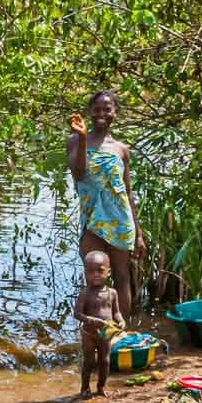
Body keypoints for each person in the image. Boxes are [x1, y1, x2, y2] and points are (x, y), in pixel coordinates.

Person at [66, 90, 145, 315]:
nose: (102, 113)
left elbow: (127, 192)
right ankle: (95, 333)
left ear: (115, 113)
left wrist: (138, 234)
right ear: (90, 112)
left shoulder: (121, 149)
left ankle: (120, 334)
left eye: (107, 109)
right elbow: (79, 173)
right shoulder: (74, 141)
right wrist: (82, 139)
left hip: (120, 221)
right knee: (94, 281)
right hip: (92, 222)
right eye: (97, 109)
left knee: (122, 277)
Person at [73, 250, 125, 398]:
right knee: (89, 361)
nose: (96, 274)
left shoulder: (112, 293)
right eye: (91, 271)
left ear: (108, 272)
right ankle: (84, 388)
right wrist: (91, 320)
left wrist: (121, 321)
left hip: (106, 333)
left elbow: (116, 312)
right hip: (89, 333)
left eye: (100, 271)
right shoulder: (85, 293)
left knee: (105, 361)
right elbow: (77, 314)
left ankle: (101, 387)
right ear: (85, 273)